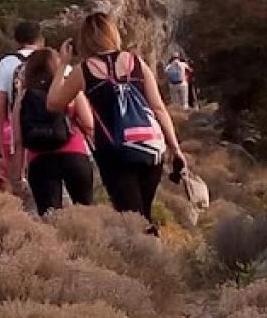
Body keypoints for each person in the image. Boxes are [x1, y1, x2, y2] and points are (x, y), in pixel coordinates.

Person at [49, 13, 185, 232]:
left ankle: (146, 258)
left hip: (114, 151)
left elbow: (54, 104)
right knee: (144, 215)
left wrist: (61, 66)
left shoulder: (83, 70)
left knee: (132, 220)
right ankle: (154, 255)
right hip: (151, 147)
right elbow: (158, 107)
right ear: (113, 34)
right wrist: (175, 148)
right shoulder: (136, 62)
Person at [10, 48, 95, 215]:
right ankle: (87, 241)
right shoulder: (68, 90)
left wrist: (16, 179)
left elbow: (19, 142)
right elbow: (89, 124)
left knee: (50, 218)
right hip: (74, 155)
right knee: (85, 214)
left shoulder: (23, 98)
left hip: (40, 161)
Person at [0, 21, 44, 191]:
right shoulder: (54, 62)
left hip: (19, 143)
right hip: (57, 142)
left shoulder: (6, 64)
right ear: (41, 40)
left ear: (16, 41)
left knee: (22, 197)